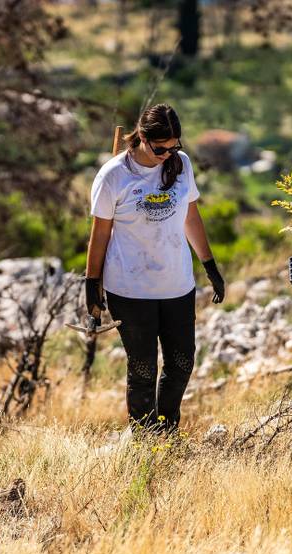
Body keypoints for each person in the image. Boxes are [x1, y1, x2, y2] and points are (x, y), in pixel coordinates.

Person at [85, 104, 225, 432]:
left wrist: (210, 264)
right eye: (160, 147)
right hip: (130, 290)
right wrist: (92, 288)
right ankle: (145, 440)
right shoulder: (113, 175)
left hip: (177, 285)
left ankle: (167, 428)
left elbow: (191, 216)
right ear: (142, 138)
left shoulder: (181, 165)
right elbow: (100, 234)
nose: (167, 153)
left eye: (174, 146)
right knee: (144, 369)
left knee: (182, 364)